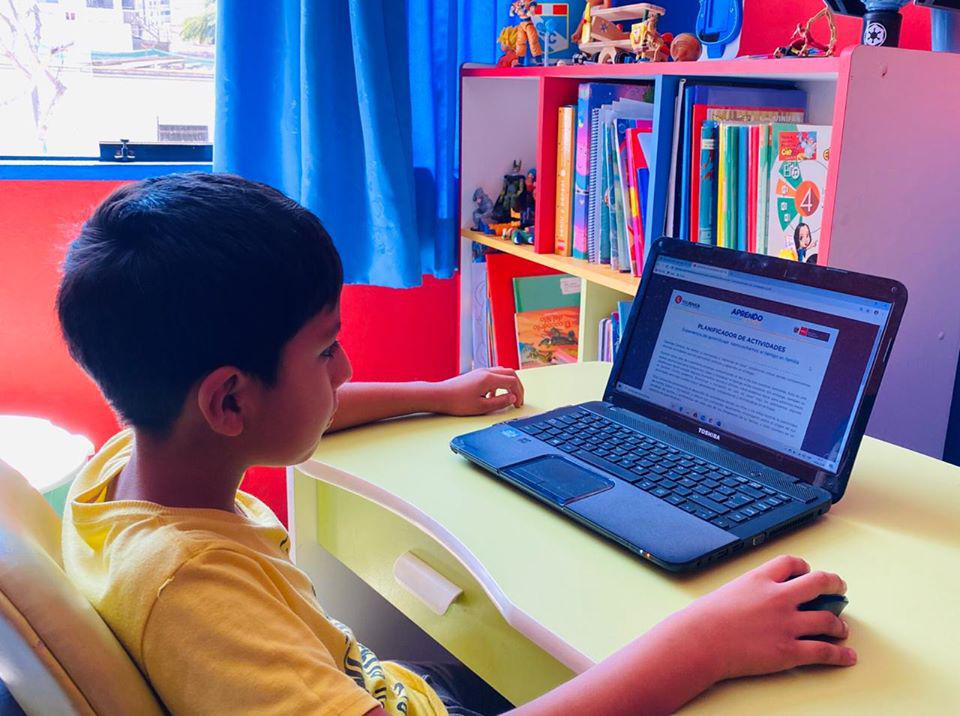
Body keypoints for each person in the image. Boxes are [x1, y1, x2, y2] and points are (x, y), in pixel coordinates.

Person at [57, 173, 855, 716]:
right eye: (326, 349)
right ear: (230, 398)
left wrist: (434, 396)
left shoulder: (131, 469)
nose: (347, 368)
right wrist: (702, 647)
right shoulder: (196, 599)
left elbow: (301, 411)